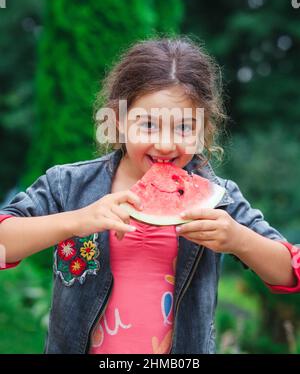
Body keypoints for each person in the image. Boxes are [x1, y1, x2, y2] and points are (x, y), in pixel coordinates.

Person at [0, 37, 299, 355]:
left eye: (184, 127)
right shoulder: (68, 183)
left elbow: (288, 272)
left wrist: (238, 238)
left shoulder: (220, 198)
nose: (167, 144)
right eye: (149, 126)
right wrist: (77, 220)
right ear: (118, 121)